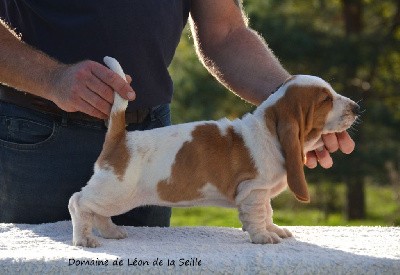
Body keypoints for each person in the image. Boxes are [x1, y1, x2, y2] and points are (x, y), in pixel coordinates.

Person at [0, 1, 355, 224]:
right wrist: (52, 77)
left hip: (152, 140)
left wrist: (294, 108)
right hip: (36, 139)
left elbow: (226, 32)